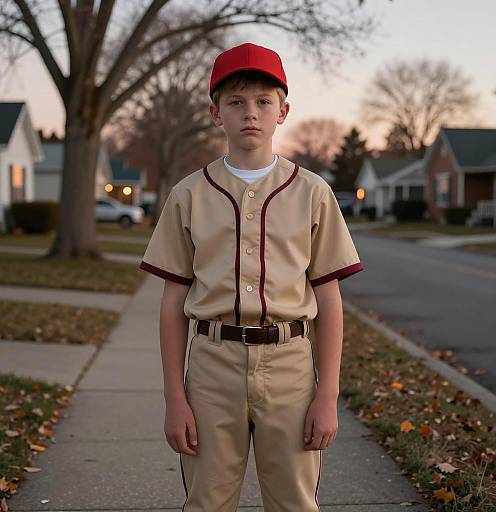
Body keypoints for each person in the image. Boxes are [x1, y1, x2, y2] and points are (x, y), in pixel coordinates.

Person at [140, 42, 364, 512]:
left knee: (294, 503)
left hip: (289, 367)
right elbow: (170, 304)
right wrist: (173, 397)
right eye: (236, 101)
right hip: (211, 366)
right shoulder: (189, 194)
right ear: (214, 111)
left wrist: (328, 394)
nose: (250, 113)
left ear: (283, 111)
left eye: (264, 101)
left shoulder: (312, 193)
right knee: (207, 501)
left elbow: (330, 301)